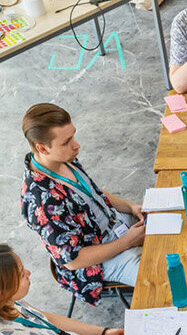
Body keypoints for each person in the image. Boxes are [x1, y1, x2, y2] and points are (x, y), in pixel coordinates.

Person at [20, 103, 146, 308]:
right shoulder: (42, 202)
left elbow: (92, 191)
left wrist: (131, 207)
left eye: (73, 136)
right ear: (42, 148)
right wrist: (128, 242)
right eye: (66, 142)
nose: (76, 145)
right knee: (161, 279)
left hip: (115, 225)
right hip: (97, 259)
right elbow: (73, 260)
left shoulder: (62, 158)